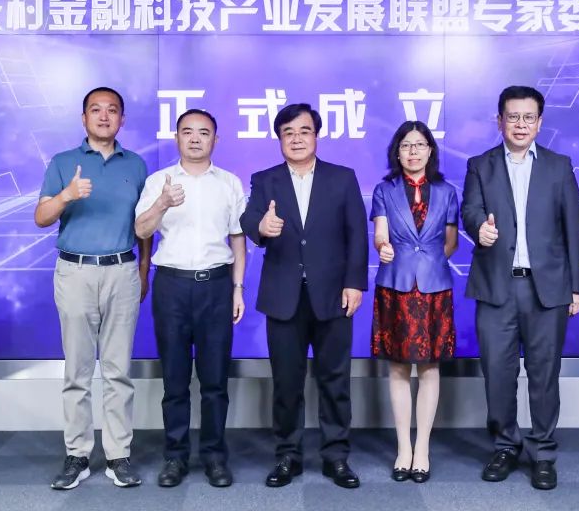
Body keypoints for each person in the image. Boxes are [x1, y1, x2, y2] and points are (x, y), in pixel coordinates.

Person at [461, 85, 579, 491]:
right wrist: (479, 228)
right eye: (512, 116)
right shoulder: (480, 165)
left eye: (528, 117)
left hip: (546, 289)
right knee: (498, 373)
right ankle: (505, 446)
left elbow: (574, 228)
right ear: (499, 121)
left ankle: (543, 453)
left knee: (544, 374)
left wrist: (576, 287)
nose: (520, 124)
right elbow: (470, 209)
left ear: (540, 123)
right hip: (496, 287)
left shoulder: (559, 166)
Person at [239, 103, 368, 490]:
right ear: (279, 139)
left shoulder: (342, 178)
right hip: (284, 297)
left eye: (304, 131)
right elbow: (250, 219)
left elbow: (357, 234)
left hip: (334, 295)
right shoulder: (265, 179)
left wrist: (355, 283)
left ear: (316, 135)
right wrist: (261, 227)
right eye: (288, 133)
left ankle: (336, 456)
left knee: (335, 380)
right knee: (287, 382)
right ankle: (287, 456)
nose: (296, 138)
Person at [34, 86, 151, 491]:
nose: (104, 116)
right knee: (78, 370)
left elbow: (144, 226)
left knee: (118, 371)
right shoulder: (63, 162)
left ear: (122, 119)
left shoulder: (136, 165)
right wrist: (67, 195)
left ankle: (119, 455)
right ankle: (78, 455)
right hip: (76, 272)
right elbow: (41, 217)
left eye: (112, 110)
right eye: (96, 110)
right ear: (83, 118)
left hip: (123, 271)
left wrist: (144, 270)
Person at [134, 109, 246, 489]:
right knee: (175, 381)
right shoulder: (158, 181)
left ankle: (214, 457)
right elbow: (141, 229)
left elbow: (237, 239)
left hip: (216, 286)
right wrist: (162, 203)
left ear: (216, 139)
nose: (195, 138)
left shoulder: (229, 183)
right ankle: (175, 457)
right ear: (177, 138)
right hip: (172, 287)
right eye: (187, 132)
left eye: (204, 132)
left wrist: (237, 288)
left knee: (215, 381)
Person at [370, 121, 459, 484]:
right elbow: (379, 233)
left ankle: (422, 449)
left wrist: (431, 263)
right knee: (397, 368)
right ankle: (403, 449)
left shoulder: (447, 191)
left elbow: (450, 241)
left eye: (420, 145)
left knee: (430, 368)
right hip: (396, 284)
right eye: (406, 145)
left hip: (434, 287)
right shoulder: (384, 190)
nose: (413, 151)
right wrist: (383, 247)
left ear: (430, 150)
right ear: (397, 151)